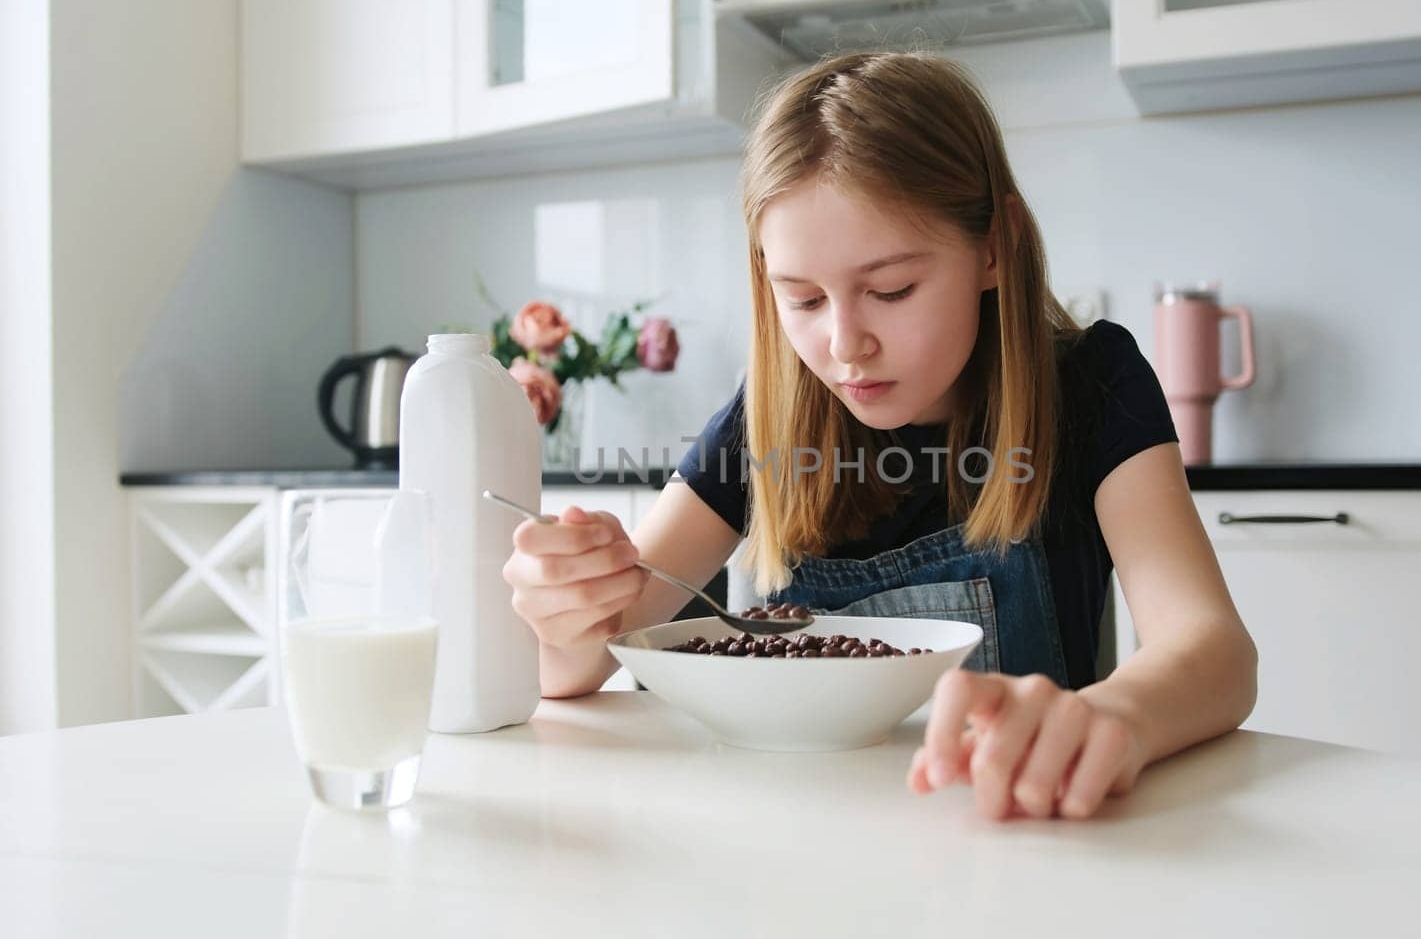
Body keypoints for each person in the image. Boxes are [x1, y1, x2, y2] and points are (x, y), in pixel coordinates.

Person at [502, 51, 1257, 821]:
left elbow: (1215, 650)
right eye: (801, 298)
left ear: (994, 247)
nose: (844, 344)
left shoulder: (1093, 386)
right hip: (798, 835)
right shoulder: (765, 417)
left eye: (891, 290)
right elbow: (592, 656)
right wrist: (567, 613)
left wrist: (1114, 716)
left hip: (1013, 841)